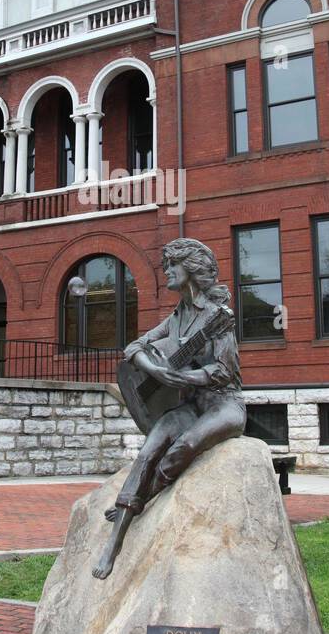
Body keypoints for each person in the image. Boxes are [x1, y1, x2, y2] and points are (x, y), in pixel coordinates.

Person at [92, 237, 246, 579]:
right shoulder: (176, 318)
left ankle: (142, 497)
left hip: (224, 403)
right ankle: (114, 541)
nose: (166, 273)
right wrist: (157, 370)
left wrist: (185, 377)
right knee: (148, 450)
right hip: (190, 403)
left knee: (185, 445)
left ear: (189, 269)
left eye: (171, 267)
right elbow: (134, 347)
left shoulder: (217, 317)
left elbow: (226, 371)